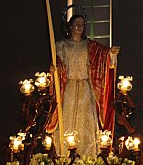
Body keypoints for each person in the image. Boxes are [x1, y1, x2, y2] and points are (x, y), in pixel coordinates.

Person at [47, 14, 119, 157]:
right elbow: (58, 65)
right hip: (69, 88)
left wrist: (111, 53)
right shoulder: (60, 46)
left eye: (82, 24)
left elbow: (102, 55)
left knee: (87, 121)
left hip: (86, 88)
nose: (79, 26)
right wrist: (54, 69)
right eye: (77, 23)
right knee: (66, 119)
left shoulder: (89, 46)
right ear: (70, 26)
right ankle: (63, 156)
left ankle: (88, 157)